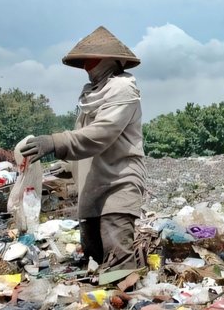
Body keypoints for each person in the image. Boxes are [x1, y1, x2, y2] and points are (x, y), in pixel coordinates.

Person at [19, 26, 146, 270]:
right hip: (91, 184)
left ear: (109, 60)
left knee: (118, 259)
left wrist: (56, 142)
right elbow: (84, 137)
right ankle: (99, 303)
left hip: (119, 181)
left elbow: (101, 134)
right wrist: (63, 166)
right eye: (85, 61)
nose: (87, 66)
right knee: (94, 257)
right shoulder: (89, 93)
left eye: (92, 59)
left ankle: (127, 302)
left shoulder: (123, 88)